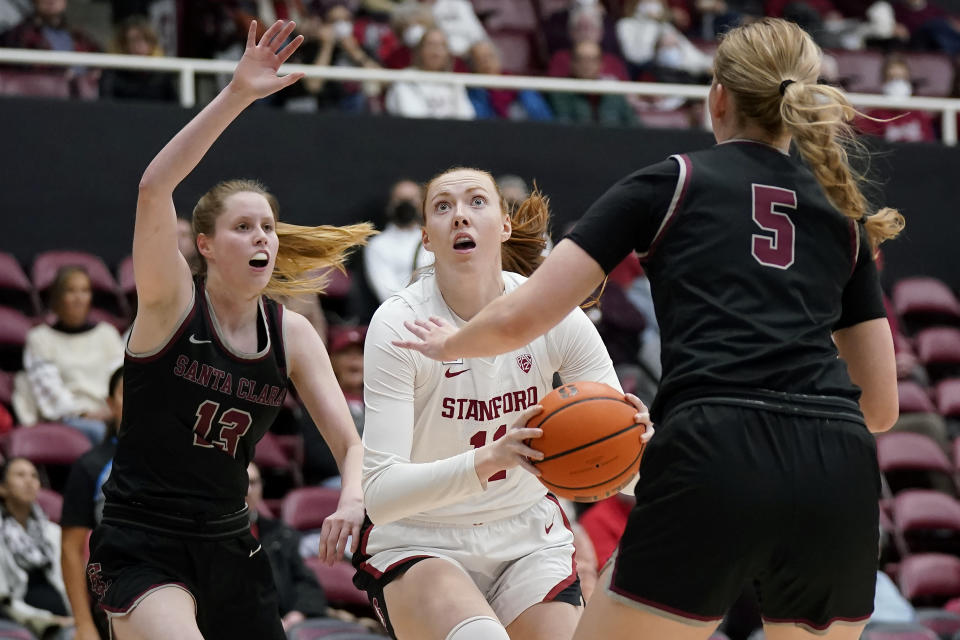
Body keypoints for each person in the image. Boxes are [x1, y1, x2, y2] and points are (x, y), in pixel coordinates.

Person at [394, 17, 904, 640]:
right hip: (839, 463)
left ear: (718, 96)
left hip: (719, 445)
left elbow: (522, 316)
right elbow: (879, 408)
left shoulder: (675, 182)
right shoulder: (844, 217)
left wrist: (448, 343)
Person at [86, 20, 373, 640]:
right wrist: (237, 94)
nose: (262, 237)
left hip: (230, 543)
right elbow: (154, 186)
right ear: (207, 245)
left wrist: (353, 498)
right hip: (143, 542)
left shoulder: (292, 333)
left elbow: (352, 446)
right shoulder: (169, 305)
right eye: (244, 227)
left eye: (267, 227)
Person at [352, 166, 653, 640]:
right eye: (442, 207)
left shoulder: (558, 317)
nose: (459, 217)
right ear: (427, 238)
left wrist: (635, 445)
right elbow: (383, 495)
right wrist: (491, 457)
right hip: (421, 537)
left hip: (527, 538)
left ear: (505, 225)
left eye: (476, 201)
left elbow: (624, 475)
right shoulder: (399, 324)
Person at [12, 266, 124, 443]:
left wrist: (113, 410)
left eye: (84, 290)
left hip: (111, 412)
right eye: (71, 291)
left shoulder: (107, 334)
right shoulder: (40, 338)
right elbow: (49, 390)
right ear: (57, 298)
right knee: (99, 432)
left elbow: (121, 379)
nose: (79, 298)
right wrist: (84, 413)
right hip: (69, 419)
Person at [60, 367, 123, 640]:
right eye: (126, 392)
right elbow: (71, 550)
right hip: (116, 595)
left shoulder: (178, 461)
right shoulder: (90, 466)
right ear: (110, 404)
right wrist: (83, 624)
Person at [245, 462, 328, 631]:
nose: (247, 490)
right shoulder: (211, 535)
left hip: (284, 622)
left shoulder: (281, 533)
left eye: (253, 483)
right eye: (242, 481)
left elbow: (306, 581)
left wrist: (298, 614)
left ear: (261, 487)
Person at [0, 458, 73, 639]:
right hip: (19, 621)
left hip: (65, 619)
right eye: (20, 475)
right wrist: (48, 620)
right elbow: (3, 599)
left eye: (34, 475)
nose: (29, 481)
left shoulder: (52, 531)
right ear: (2, 488)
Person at [363, 179, 431, 304]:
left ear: (421, 205)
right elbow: (386, 293)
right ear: (390, 205)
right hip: (397, 314)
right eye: (400, 200)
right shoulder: (378, 245)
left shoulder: (433, 239)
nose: (406, 206)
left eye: (411, 201)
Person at [385, 27, 475, 120]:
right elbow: (412, 117)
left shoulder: (454, 81)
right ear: (420, 50)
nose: (436, 51)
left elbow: (466, 116)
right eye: (431, 44)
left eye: (442, 45)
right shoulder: (405, 79)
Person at [99, 15, 178, 103]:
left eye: (145, 39)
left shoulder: (162, 76)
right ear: (123, 44)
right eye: (133, 40)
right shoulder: (112, 74)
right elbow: (107, 105)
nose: (139, 45)